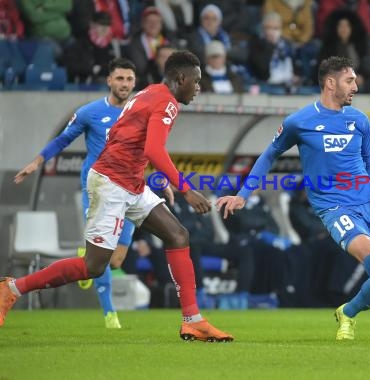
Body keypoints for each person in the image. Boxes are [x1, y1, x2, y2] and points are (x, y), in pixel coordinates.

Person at [1, 51, 233, 342]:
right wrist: (186, 189)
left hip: (130, 182)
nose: (199, 87)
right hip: (111, 183)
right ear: (181, 78)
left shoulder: (151, 92)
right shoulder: (167, 102)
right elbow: (154, 151)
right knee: (94, 267)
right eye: (197, 81)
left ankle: (193, 321)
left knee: (178, 235)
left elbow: (133, 143)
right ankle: (11, 289)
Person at [216, 56, 370, 342]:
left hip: (368, 203)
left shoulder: (359, 120)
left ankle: (348, 312)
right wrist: (243, 194)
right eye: (349, 80)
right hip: (334, 207)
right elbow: (269, 154)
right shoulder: (299, 122)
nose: (355, 85)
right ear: (331, 83)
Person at [13, 58, 139, 329]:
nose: (125, 84)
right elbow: (63, 139)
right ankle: (110, 314)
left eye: (129, 79)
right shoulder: (90, 112)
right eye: (120, 79)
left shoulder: (140, 112)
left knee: (116, 259)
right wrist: (36, 162)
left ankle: (86, 258)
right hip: (99, 190)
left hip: (129, 189)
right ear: (109, 80)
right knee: (104, 256)